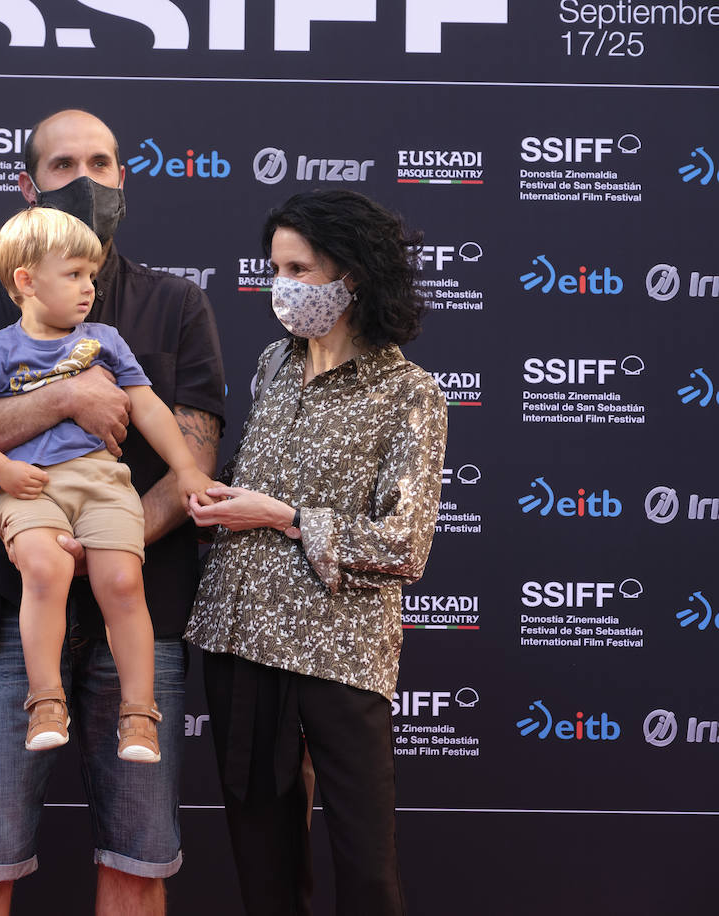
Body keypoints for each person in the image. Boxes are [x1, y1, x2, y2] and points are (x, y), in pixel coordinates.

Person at [0, 109, 225, 915]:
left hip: (138, 599)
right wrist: (62, 398)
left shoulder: (176, 305)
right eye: (62, 165)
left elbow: (190, 453)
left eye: (101, 161)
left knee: (139, 860)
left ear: (124, 177)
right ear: (28, 187)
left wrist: (97, 541)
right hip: (1, 597)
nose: (85, 180)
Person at [184, 188, 448, 916]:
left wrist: (286, 516)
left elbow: (405, 544)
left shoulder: (409, 393)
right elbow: (249, 476)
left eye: (301, 270)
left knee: (365, 863)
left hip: (340, 650)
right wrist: (221, 502)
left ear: (352, 275)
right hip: (240, 639)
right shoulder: (273, 360)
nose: (284, 287)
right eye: (277, 268)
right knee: (262, 863)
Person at [0, 207, 217, 762]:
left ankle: (139, 715)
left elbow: (147, 407)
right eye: (73, 275)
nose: (89, 288)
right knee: (46, 569)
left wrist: (187, 468)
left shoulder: (106, 341)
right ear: (26, 281)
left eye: (92, 276)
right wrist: (0, 471)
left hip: (102, 481)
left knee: (121, 579)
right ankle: (46, 700)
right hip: (29, 486)